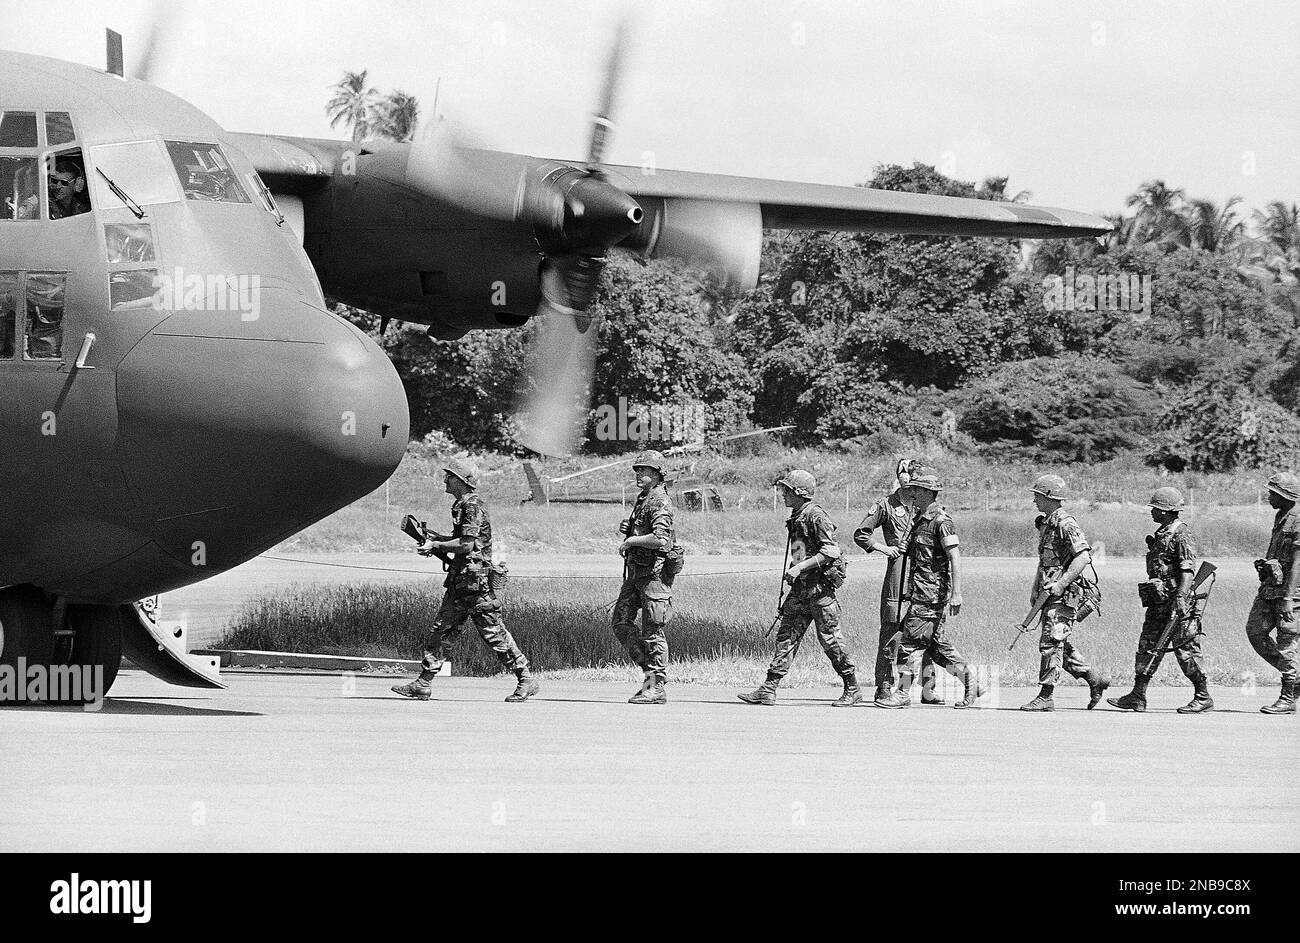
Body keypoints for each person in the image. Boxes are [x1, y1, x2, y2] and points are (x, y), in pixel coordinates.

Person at [391, 465, 539, 703]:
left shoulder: (472, 505)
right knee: (441, 630)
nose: (444, 481)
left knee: (494, 634)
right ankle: (423, 683)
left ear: (460, 480)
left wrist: (436, 546)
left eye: (448, 477)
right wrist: (436, 539)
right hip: (461, 580)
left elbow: (467, 545)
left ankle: (526, 679)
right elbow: (460, 540)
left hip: (475, 583)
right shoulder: (462, 505)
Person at [738, 470, 861, 707]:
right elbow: (800, 549)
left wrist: (799, 567)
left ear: (799, 493)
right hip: (801, 590)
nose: (783, 494)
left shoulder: (816, 516)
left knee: (831, 641)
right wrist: (795, 573)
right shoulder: (797, 516)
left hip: (820, 592)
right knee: (786, 637)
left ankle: (852, 687)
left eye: (787, 490)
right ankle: (768, 688)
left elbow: (831, 551)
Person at [874, 467, 984, 709]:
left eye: (916, 489)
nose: (911, 492)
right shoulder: (919, 520)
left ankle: (902, 693)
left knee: (908, 645)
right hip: (920, 593)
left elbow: (955, 557)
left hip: (931, 596)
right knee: (936, 649)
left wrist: (957, 593)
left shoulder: (941, 521)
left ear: (927, 492)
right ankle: (970, 681)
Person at [1108, 488, 1213, 713]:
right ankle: (1137, 696)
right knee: (1147, 646)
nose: (1152, 512)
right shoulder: (1162, 532)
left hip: (1176, 602)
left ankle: (1203, 696)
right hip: (1159, 602)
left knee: (1186, 650)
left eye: (1155, 508)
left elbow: (1187, 571)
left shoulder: (1181, 534)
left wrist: (1181, 599)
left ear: (1166, 511)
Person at [854, 458, 944, 704]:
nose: (905, 476)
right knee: (890, 631)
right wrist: (885, 548)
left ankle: (928, 687)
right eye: (901, 471)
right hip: (896, 576)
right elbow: (861, 534)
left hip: (922, 578)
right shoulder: (886, 504)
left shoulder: (925, 506)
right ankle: (884, 685)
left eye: (911, 473)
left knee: (924, 633)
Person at [1020, 474, 1109, 712]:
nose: (1035, 501)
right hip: (1047, 593)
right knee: (1058, 641)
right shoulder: (1048, 523)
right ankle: (1094, 679)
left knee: (1051, 642)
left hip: (1062, 593)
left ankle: (1046, 695)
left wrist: (1060, 584)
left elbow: (1083, 557)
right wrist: (1035, 589)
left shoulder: (1065, 523)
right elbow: (1045, 563)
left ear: (1049, 497)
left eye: (1037, 496)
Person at [611, 450, 679, 705]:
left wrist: (631, 540)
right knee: (620, 623)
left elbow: (660, 538)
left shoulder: (659, 500)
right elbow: (645, 531)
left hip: (654, 575)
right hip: (637, 573)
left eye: (645, 471)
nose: (639, 474)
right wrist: (629, 529)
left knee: (653, 633)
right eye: (637, 470)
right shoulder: (644, 498)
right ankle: (650, 676)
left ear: (657, 474)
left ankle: (656, 686)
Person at [1246, 472, 1300, 715]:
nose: (1268, 497)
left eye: (1273, 493)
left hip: (1291, 593)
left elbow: (1298, 562)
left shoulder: (1298, 519)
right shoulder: (1282, 517)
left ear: (1285, 496)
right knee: (1255, 631)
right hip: (1270, 589)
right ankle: (1296, 676)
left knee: (1287, 641)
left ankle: (1288, 697)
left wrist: (1289, 598)